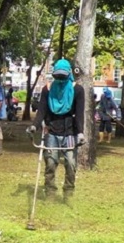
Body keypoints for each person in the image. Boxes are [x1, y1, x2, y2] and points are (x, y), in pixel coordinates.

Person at [27, 59, 85, 194]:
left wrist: (80, 132)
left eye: (62, 76)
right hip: (52, 131)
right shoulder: (47, 89)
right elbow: (41, 111)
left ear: (69, 74)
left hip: (70, 132)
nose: (60, 78)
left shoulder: (77, 90)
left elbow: (80, 113)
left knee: (70, 163)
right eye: (57, 75)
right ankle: (50, 192)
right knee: (51, 163)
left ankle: (68, 192)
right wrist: (34, 126)